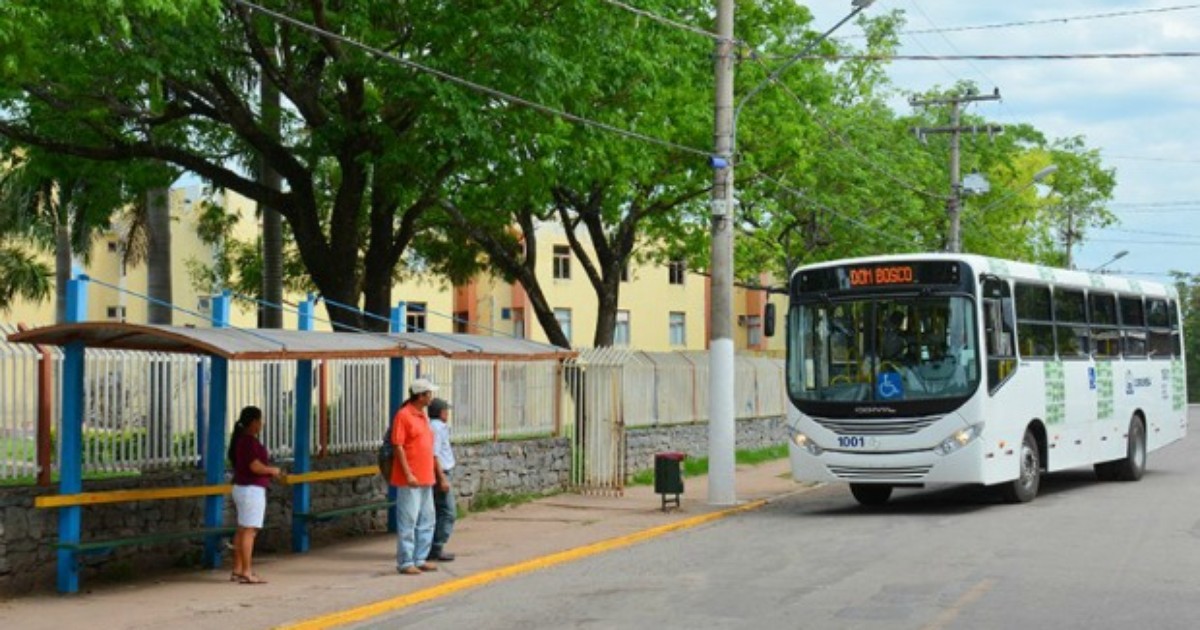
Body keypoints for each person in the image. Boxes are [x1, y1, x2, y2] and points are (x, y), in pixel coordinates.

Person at [228, 406, 283, 585]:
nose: (262, 424)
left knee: (243, 528)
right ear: (253, 422)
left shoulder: (240, 441)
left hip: (241, 488)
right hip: (251, 490)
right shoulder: (249, 442)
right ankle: (246, 571)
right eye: (260, 420)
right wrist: (272, 470)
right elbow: (255, 467)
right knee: (250, 531)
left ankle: (237, 569)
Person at [390, 378, 439, 575]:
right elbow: (398, 446)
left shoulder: (422, 415)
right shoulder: (404, 415)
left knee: (427, 519)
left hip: (426, 476)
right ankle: (406, 561)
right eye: (429, 394)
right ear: (420, 396)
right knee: (408, 520)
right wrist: (408, 473)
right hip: (410, 479)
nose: (431, 397)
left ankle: (420, 557)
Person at [428, 398, 456, 562]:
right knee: (448, 511)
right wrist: (442, 478)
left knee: (438, 511)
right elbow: (434, 455)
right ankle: (436, 546)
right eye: (446, 411)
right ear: (441, 412)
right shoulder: (436, 428)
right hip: (441, 473)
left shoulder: (437, 427)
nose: (448, 414)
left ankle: (432, 546)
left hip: (441, 472)